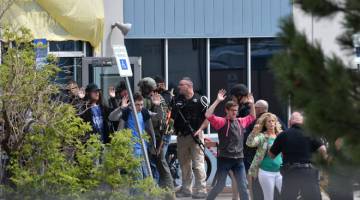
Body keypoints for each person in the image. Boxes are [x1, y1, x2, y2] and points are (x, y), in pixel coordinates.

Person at [204, 89, 255, 200]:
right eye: (232, 110)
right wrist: (217, 100)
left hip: (239, 160)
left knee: (242, 186)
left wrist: (252, 104)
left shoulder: (240, 121)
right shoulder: (221, 122)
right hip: (224, 159)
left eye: (236, 110)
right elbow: (208, 114)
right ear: (226, 110)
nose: (234, 113)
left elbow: (252, 117)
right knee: (220, 186)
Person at [269, 112, 328, 200]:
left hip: (291, 173)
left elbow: (271, 155)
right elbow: (323, 150)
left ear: (289, 122)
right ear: (303, 122)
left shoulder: (283, 135)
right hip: (308, 172)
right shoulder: (311, 133)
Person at [171, 77, 208, 199]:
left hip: (196, 136)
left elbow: (208, 118)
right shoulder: (177, 100)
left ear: (189, 86)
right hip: (182, 136)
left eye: (181, 85)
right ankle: (186, 189)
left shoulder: (201, 99)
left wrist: (200, 129)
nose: (179, 87)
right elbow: (172, 118)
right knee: (184, 164)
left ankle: (201, 190)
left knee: (198, 164)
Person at [137, 77, 174, 192]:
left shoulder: (156, 99)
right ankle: (157, 190)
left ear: (147, 88)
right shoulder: (151, 98)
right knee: (153, 164)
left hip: (159, 136)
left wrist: (158, 143)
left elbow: (160, 120)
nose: (141, 90)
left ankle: (168, 191)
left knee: (160, 163)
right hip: (154, 136)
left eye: (142, 88)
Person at [113, 93, 157, 180]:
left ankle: (142, 193)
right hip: (132, 148)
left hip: (143, 147)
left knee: (146, 174)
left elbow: (158, 117)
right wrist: (121, 108)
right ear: (132, 104)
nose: (140, 107)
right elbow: (112, 117)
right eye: (137, 105)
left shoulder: (144, 112)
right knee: (137, 176)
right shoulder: (127, 112)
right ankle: (137, 193)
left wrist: (157, 106)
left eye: (141, 104)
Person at [246, 112, 283, 200]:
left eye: (272, 121)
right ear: (265, 124)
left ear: (275, 123)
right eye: (268, 121)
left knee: (286, 195)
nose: (271, 123)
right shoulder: (262, 136)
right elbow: (250, 143)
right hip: (266, 172)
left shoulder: (280, 136)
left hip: (280, 171)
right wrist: (254, 132)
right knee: (268, 197)